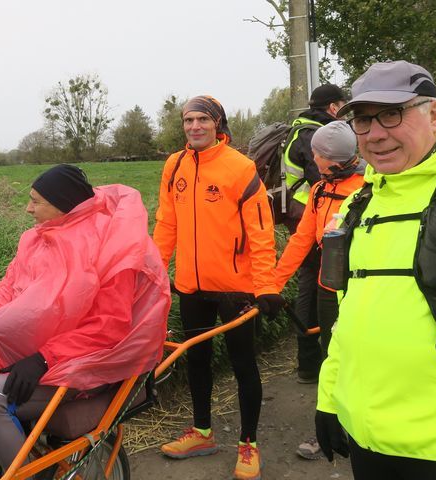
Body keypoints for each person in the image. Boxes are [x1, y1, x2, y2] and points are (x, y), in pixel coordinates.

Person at [0, 164, 170, 480]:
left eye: (36, 201)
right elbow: (9, 296)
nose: (27, 208)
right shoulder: (37, 240)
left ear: (62, 205)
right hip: (41, 351)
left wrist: (44, 358)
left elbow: (109, 326)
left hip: (90, 359)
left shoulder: (111, 245)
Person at [316, 60, 436, 479]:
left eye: (392, 114)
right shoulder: (358, 205)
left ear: (434, 113)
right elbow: (346, 316)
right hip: (367, 439)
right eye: (364, 120)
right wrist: (330, 399)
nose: (376, 134)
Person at [153, 95, 283, 480]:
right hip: (191, 285)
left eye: (203, 120)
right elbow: (166, 224)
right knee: (196, 360)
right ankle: (203, 432)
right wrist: (156, 273)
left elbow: (261, 233)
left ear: (218, 124)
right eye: (189, 120)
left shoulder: (240, 168)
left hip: (235, 289)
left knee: (244, 365)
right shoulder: (174, 165)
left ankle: (248, 444)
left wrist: (266, 286)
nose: (195, 126)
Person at [273, 121, 365, 460]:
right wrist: (272, 284)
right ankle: (331, 426)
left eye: (316, 155)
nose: (312, 158)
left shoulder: (368, 189)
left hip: (361, 292)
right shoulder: (319, 189)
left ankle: (360, 428)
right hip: (330, 289)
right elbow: (300, 241)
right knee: (331, 357)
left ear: (330, 158)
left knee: (359, 360)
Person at [284, 84, 349, 384]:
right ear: (333, 107)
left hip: (305, 216)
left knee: (315, 288)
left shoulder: (301, 130)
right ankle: (315, 364)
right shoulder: (317, 136)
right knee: (315, 288)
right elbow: (323, 179)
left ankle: (314, 365)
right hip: (313, 216)